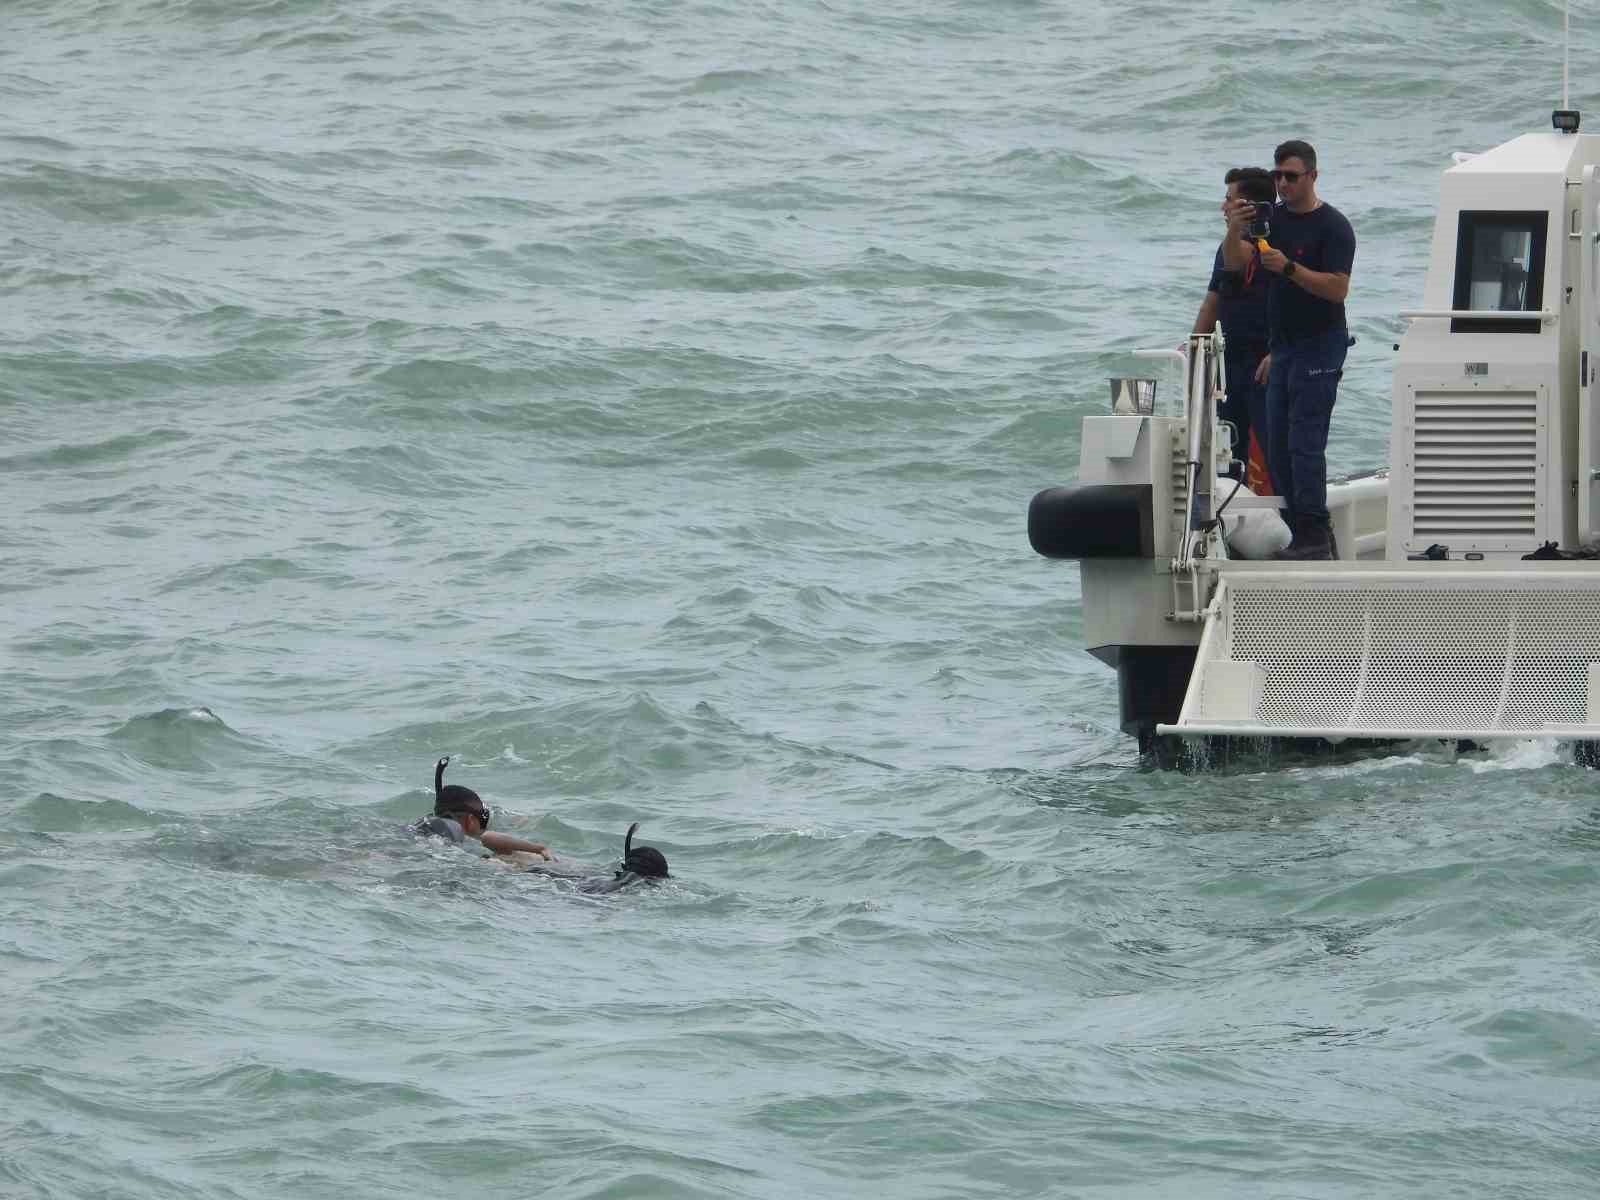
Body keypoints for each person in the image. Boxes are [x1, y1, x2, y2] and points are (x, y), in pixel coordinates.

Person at [1222, 139, 1356, 559]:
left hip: (1321, 345)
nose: (1282, 184)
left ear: (1313, 176)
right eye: (1278, 176)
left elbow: (1337, 289)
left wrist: (1289, 268)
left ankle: (1314, 532)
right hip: (1282, 348)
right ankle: (1304, 532)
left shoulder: (1333, 226)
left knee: (1305, 442)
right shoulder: (1271, 219)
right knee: (1277, 444)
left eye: (1291, 177)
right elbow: (1234, 262)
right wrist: (1233, 229)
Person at [1192, 166, 1275, 488]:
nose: (1223, 207)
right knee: (1227, 446)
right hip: (1232, 359)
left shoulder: (1277, 242)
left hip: (1266, 360)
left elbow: (1243, 259)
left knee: (1272, 447)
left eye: (1230, 200)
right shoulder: (1227, 246)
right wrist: (1194, 348)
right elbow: (1212, 301)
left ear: (1249, 207)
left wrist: (1279, 350)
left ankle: (1293, 523)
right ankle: (1230, 518)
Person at [409, 756, 554, 859]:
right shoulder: (483, 843)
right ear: (470, 820)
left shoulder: (425, 831)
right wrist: (539, 848)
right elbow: (489, 837)